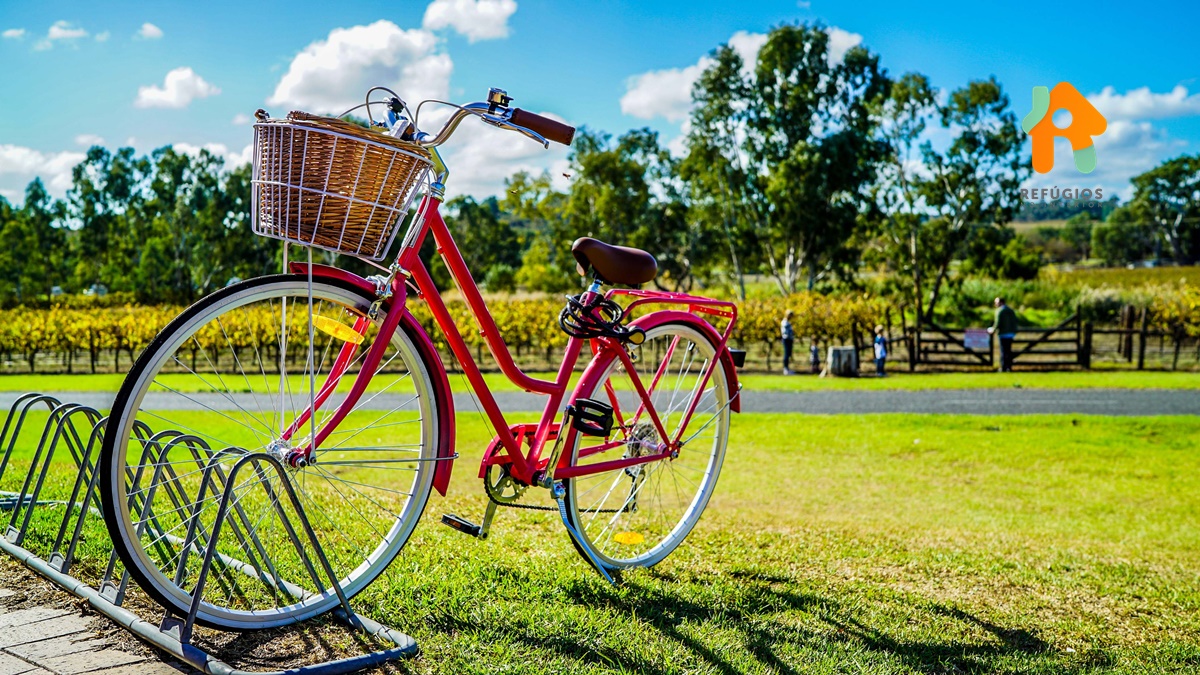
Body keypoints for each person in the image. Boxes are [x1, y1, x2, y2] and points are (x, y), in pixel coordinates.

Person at [988, 297, 1018, 372]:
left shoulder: (999, 311)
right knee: (1008, 351)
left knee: (1003, 351)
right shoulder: (1010, 310)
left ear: (1001, 302)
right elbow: (1015, 321)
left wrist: (993, 329)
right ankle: (1009, 367)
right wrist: (1014, 331)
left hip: (1003, 333)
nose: (995, 304)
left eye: (996, 302)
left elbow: (997, 322)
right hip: (1011, 333)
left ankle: (1003, 367)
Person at [781, 310, 795, 375]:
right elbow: (786, 333)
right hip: (787, 339)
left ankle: (787, 369)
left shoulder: (787, 322)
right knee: (786, 354)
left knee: (788, 354)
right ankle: (785, 369)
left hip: (789, 339)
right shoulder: (785, 322)